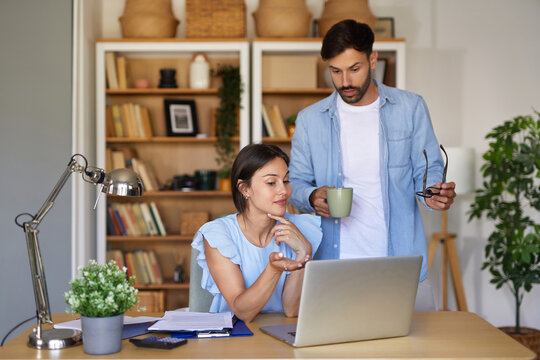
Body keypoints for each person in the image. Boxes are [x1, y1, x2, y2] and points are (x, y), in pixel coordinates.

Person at [289, 20, 456, 310]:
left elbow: (427, 172)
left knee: (413, 353)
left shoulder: (410, 108)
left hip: (401, 265)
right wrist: (311, 197)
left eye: (354, 69)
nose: (345, 82)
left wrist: (436, 195)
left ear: (373, 60)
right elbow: (295, 183)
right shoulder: (309, 119)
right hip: (334, 267)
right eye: (336, 71)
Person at [192, 144, 322, 322]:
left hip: (281, 333)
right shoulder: (219, 234)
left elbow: (292, 310)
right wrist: (273, 270)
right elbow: (243, 312)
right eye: (271, 182)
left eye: (286, 181)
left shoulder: (301, 229)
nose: (283, 191)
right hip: (232, 337)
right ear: (244, 189)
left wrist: (304, 252)